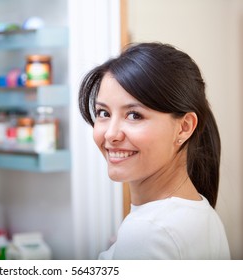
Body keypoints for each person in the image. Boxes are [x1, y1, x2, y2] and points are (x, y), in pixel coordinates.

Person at [78, 42, 230, 259]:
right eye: (103, 113)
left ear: (184, 127)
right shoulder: (203, 213)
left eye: (134, 115)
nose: (111, 134)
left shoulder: (149, 232)